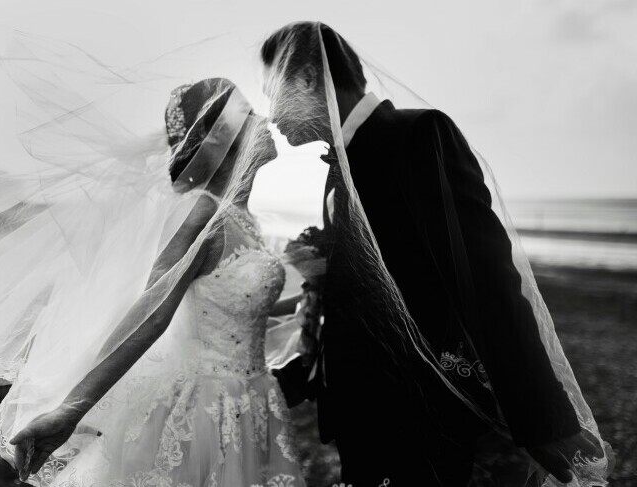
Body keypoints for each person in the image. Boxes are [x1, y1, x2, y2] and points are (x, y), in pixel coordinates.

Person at [0, 77, 307, 486]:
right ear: (218, 136)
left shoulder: (245, 218)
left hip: (253, 399)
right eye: (249, 113)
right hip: (204, 411)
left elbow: (230, 310)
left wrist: (311, 298)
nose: (264, 120)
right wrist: (72, 408)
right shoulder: (202, 215)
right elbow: (151, 313)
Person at [261, 21, 610, 486]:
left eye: (272, 91)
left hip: (424, 423)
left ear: (306, 78)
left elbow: (489, 281)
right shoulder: (338, 166)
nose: (271, 113)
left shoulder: (419, 137)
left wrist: (545, 421)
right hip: (365, 420)